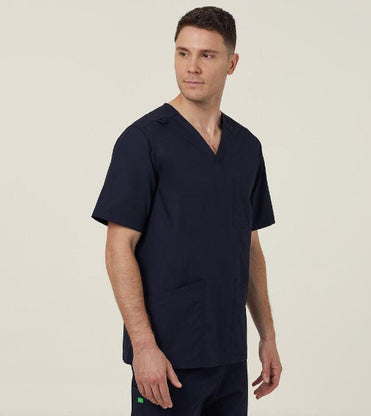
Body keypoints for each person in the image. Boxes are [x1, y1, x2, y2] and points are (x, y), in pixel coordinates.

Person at [91, 6, 282, 415]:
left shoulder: (246, 149)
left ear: (231, 63)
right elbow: (118, 247)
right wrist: (143, 346)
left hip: (229, 359)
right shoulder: (143, 142)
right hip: (166, 361)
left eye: (206, 55)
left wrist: (267, 336)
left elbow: (249, 246)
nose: (191, 67)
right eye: (183, 53)